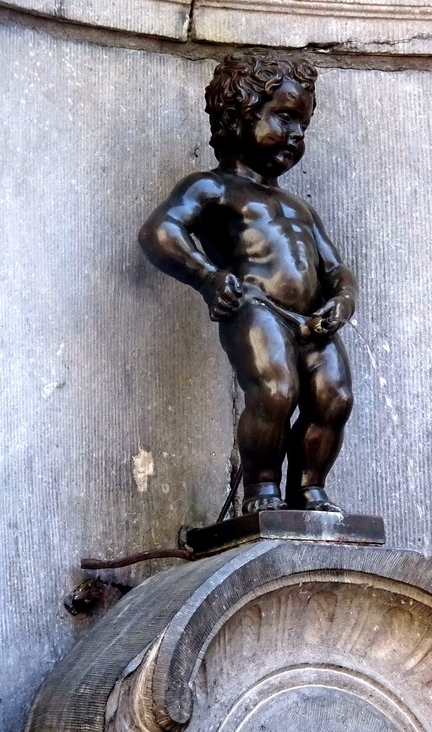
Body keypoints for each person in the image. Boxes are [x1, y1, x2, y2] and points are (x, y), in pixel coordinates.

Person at [138, 48, 357, 514]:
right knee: (275, 392)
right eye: (285, 117)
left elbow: (336, 267)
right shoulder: (212, 188)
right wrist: (208, 278)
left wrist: (343, 298)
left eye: (303, 125)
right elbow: (160, 231)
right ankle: (260, 491)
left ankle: (309, 489)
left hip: (313, 319)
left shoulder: (300, 208)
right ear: (240, 116)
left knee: (334, 398)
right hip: (255, 307)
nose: (296, 135)